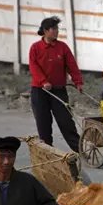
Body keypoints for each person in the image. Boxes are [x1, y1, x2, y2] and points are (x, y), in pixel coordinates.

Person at [29, 16, 83, 153]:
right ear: (45, 31)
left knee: (66, 121)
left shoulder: (62, 47)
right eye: (54, 29)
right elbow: (33, 67)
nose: (56, 32)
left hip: (58, 90)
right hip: (40, 91)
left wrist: (78, 82)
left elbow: (72, 66)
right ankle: (47, 151)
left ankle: (79, 149)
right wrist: (43, 81)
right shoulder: (35, 48)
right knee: (44, 123)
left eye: (57, 29)